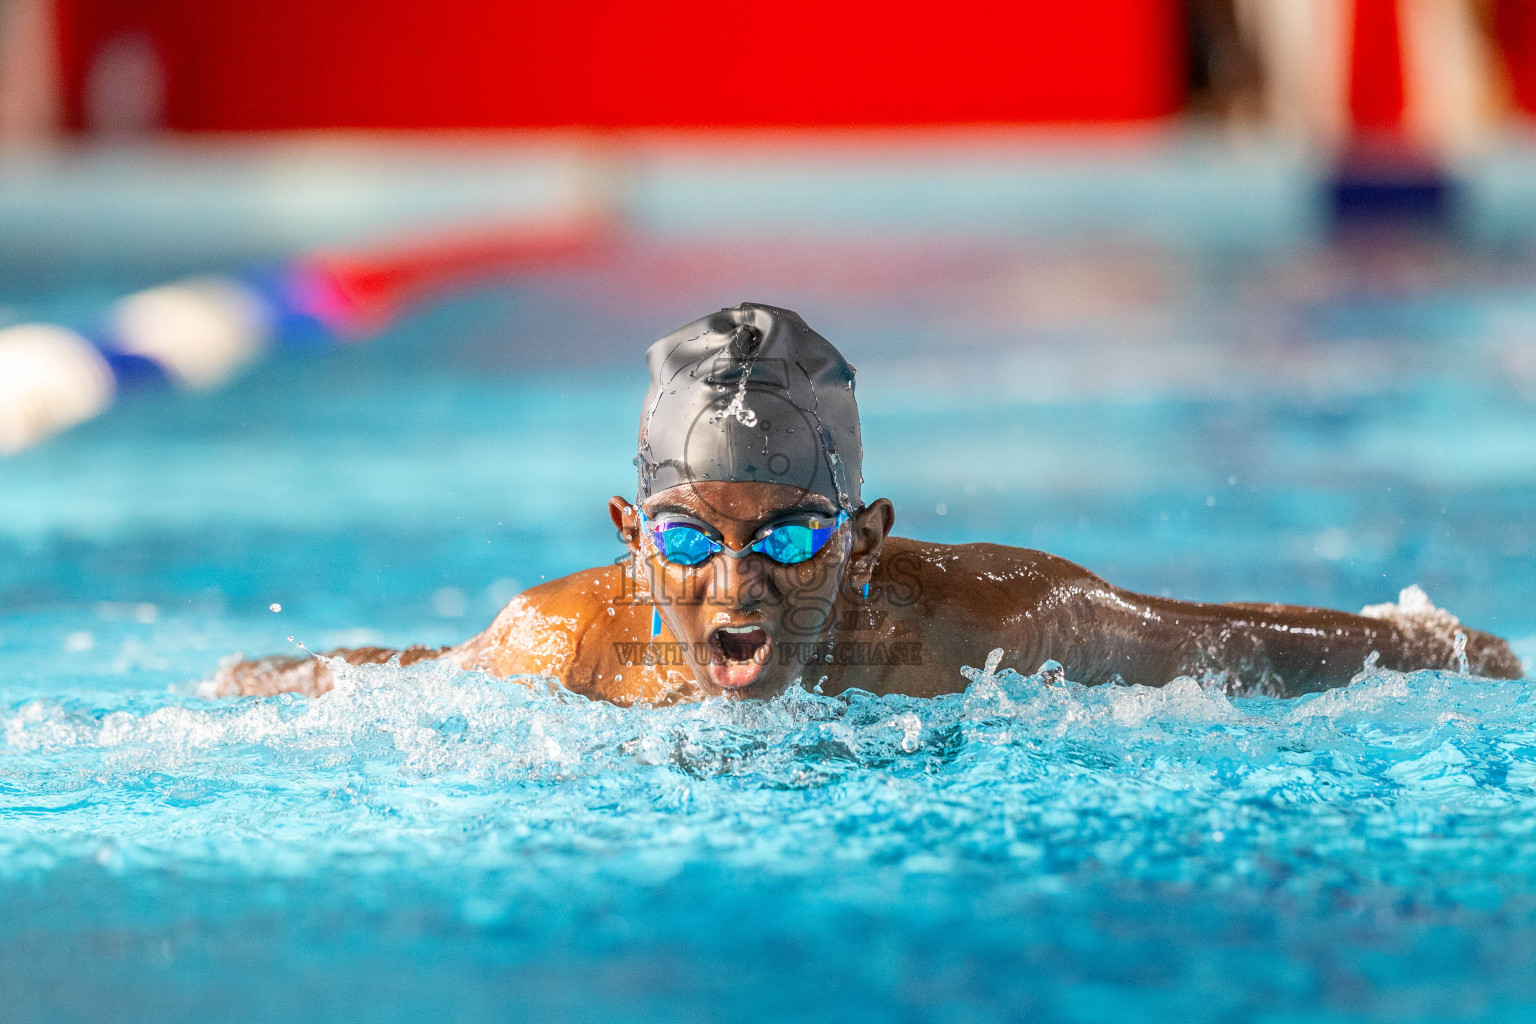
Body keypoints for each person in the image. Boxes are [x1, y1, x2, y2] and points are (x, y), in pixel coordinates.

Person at [217, 303, 1522, 704]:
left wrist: (1431, 645)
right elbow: (402, 682)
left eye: (785, 535)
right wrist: (257, 679)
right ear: (631, 540)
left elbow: (1215, 640)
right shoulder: (572, 643)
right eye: (690, 540)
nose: (735, 587)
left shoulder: (994, 620)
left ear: (866, 534)